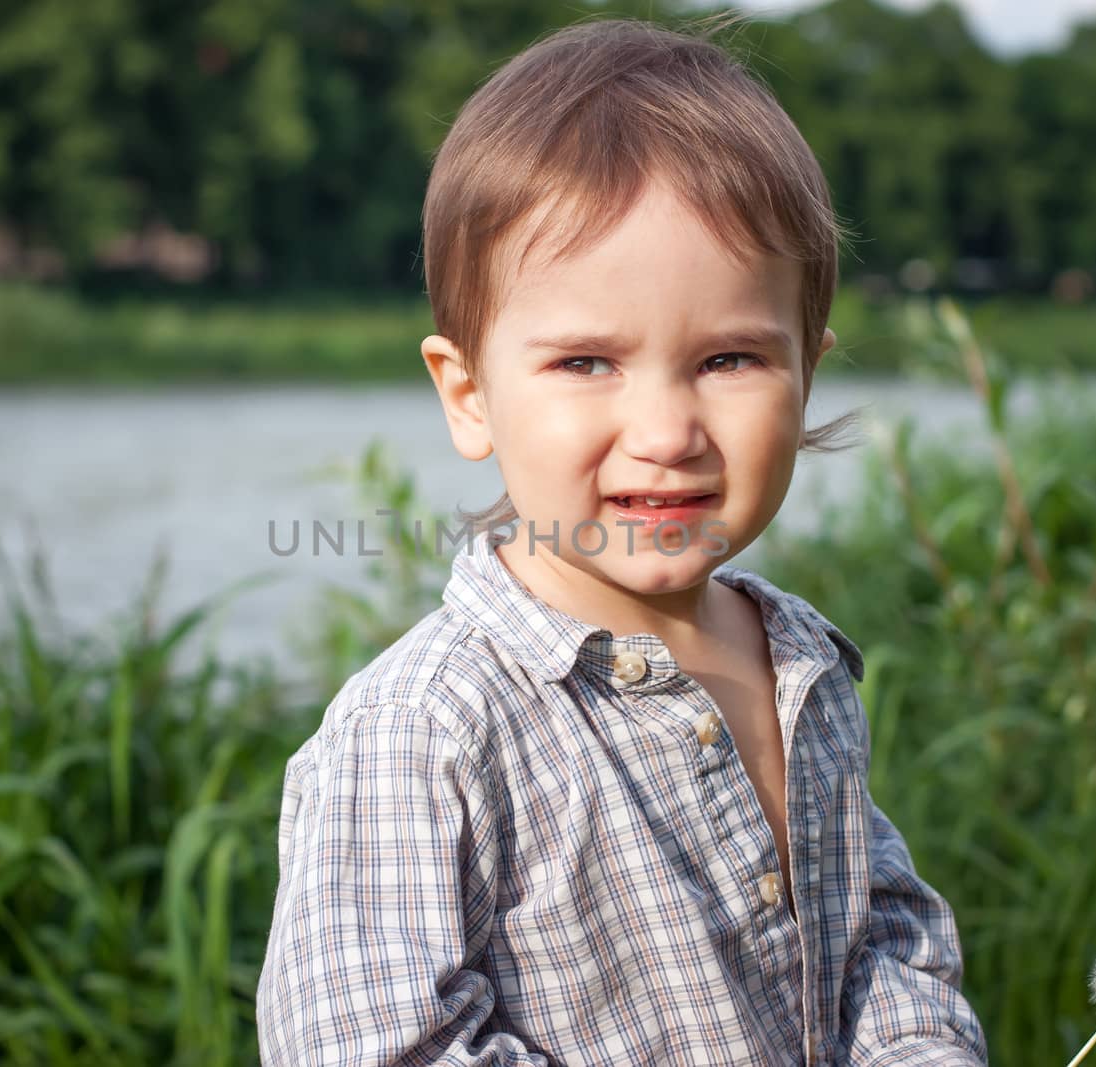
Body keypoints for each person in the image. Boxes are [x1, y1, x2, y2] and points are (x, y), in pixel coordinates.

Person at [256, 14, 988, 1066]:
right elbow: (380, 1046)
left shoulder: (796, 662)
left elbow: (878, 936)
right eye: (587, 363)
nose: (666, 434)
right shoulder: (423, 730)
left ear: (808, 373)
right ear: (469, 395)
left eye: (730, 358)